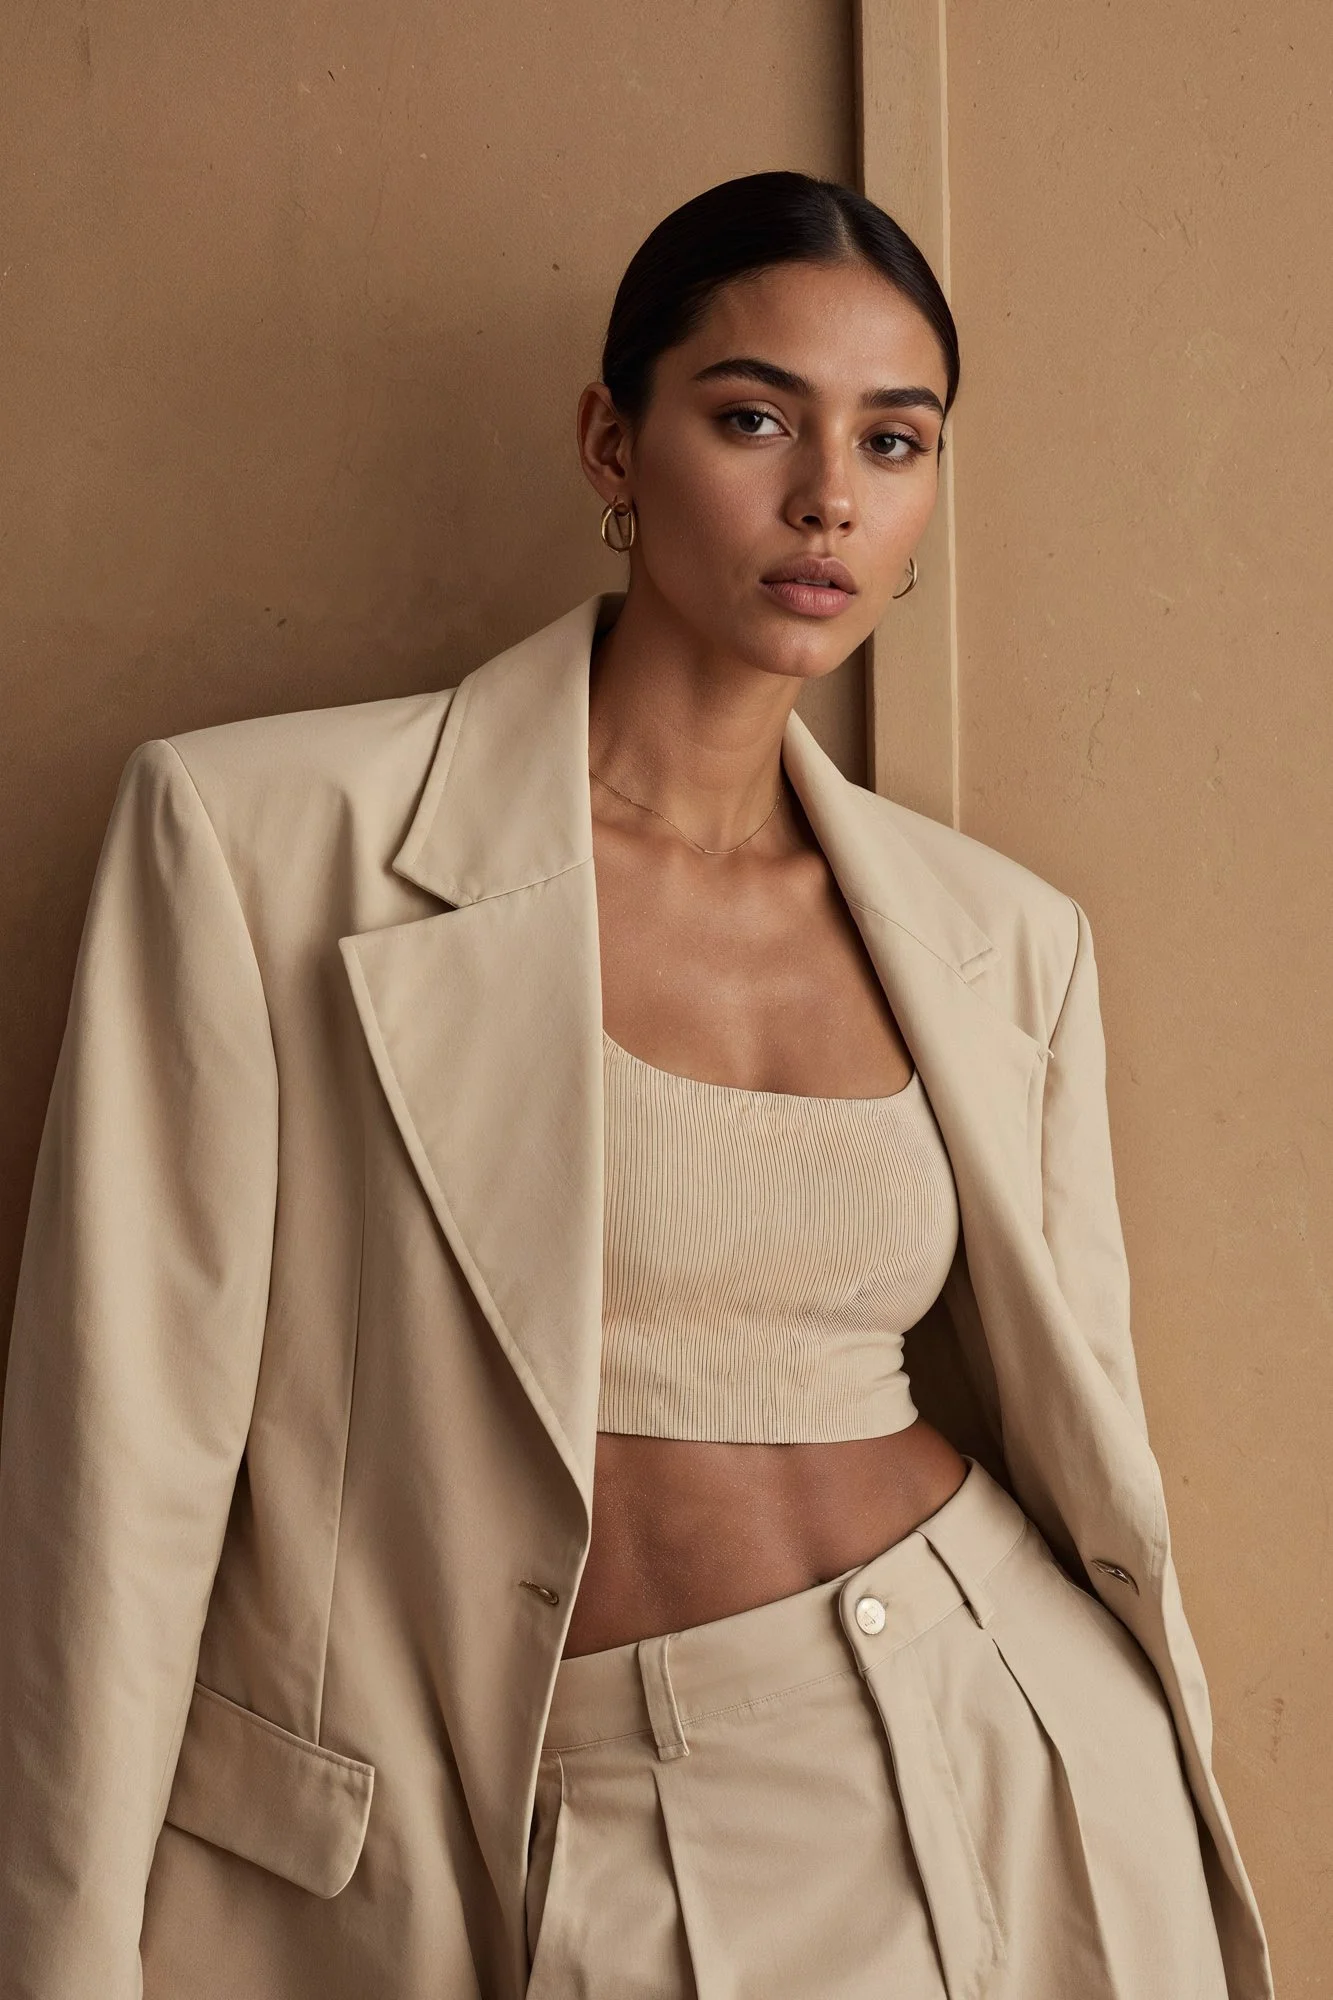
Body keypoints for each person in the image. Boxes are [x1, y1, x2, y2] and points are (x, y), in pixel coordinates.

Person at [0, 171, 1270, 1999]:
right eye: (754, 417)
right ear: (614, 440)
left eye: (895, 441)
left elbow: (1080, 1427)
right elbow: (116, 1476)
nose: (829, 494)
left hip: (1016, 1759)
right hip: (581, 1816)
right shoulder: (262, 843)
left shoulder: (1005, 942)